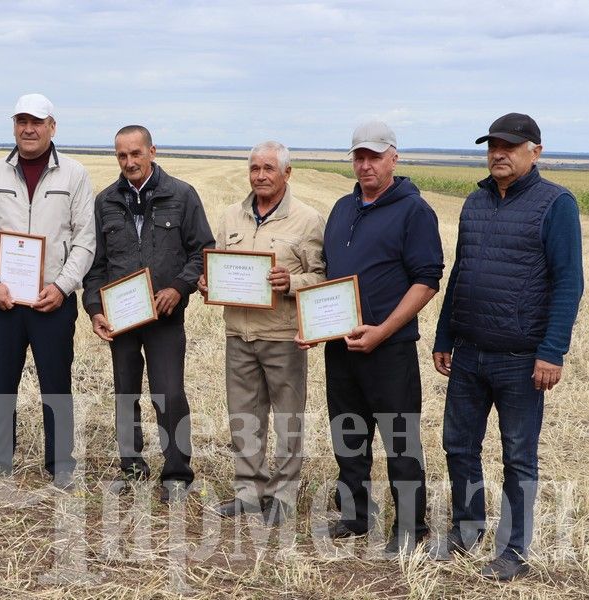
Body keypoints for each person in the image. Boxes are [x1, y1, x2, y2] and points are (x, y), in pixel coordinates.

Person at [432, 113, 584, 581]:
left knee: (518, 455)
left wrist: (552, 350)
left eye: (510, 146)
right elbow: (462, 273)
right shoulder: (475, 201)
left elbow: (568, 283)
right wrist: (444, 335)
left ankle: (514, 549)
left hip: (521, 359)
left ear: (534, 152)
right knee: (458, 445)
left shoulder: (554, 203)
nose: (498, 152)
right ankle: (467, 527)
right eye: (493, 145)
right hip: (470, 352)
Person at [298, 121, 443, 553]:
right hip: (340, 347)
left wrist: (382, 331)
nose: (365, 165)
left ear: (393, 158)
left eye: (374, 157)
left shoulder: (414, 211)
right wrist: (313, 326)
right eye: (358, 157)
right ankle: (356, 516)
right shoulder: (343, 207)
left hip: (389, 348)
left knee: (400, 440)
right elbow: (328, 277)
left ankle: (411, 528)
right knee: (348, 435)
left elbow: (427, 281)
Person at [0, 93, 95, 489]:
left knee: (56, 381)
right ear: (14, 126)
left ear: (52, 127)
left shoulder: (74, 175)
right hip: (4, 301)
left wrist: (62, 286)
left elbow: (85, 241)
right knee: (1, 382)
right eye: (22, 121)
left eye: (37, 121)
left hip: (52, 302)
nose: (29, 128)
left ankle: (61, 464)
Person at [83, 125, 215, 503]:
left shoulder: (182, 195)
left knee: (169, 394)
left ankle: (176, 473)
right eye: (122, 156)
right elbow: (96, 266)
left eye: (136, 153)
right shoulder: (105, 201)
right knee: (125, 392)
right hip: (121, 319)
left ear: (152, 151)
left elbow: (202, 252)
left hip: (165, 317)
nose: (129, 162)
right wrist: (94, 309)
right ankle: (131, 466)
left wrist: (178, 287)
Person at [196, 141, 325, 522]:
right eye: (255, 168)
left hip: (282, 336)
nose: (261, 175)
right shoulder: (230, 217)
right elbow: (218, 266)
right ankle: (248, 492)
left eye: (269, 168)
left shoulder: (307, 219)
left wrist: (292, 282)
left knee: (288, 419)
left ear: (287, 173)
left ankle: (283, 497)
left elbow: (322, 277)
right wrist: (209, 284)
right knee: (243, 418)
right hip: (238, 333)